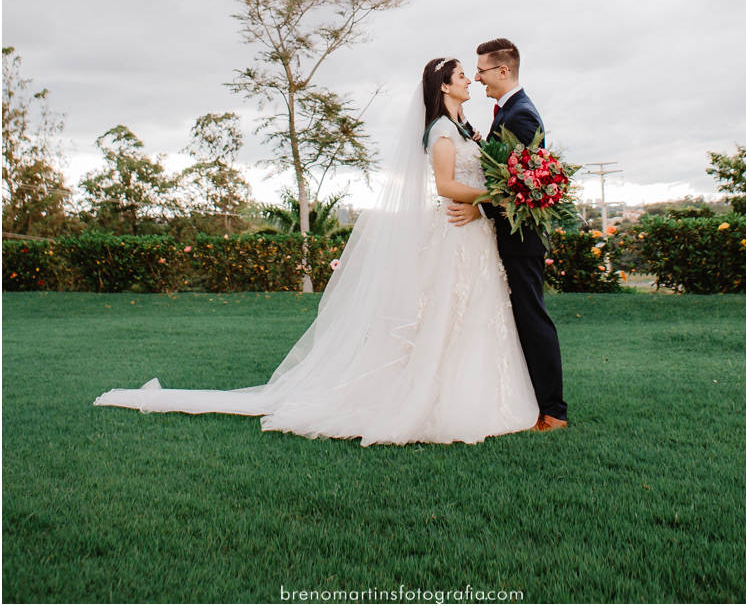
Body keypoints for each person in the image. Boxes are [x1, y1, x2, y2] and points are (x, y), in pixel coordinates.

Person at [94, 58, 540, 445]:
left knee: (474, 318)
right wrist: (493, 199)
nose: (470, 80)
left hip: (473, 236)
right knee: (449, 316)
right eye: (463, 75)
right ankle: (439, 400)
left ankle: (480, 396)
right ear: (444, 85)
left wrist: (488, 201)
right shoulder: (441, 130)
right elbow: (445, 186)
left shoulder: (464, 128)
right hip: (455, 237)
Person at [447, 39, 568, 430]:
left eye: (481, 70)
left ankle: (553, 411)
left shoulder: (521, 115)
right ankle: (531, 402)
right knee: (521, 319)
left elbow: (522, 186)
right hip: (509, 237)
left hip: (521, 240)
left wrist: (477, 206)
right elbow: (504, 172)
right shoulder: (509, 112)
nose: (477, 76)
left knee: (533, 320)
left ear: (503, 71)